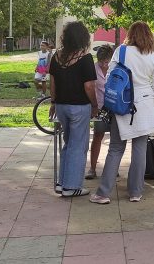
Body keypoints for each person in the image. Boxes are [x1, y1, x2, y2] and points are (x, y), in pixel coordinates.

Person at [90, 22, 154, 204]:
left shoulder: (121, 51)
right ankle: (135, 192)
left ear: (130, 34)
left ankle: (103, 193)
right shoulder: (153, 56)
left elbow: (109, 78)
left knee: (115, 148)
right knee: (140, 149)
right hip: (146, 105)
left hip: (123, 104)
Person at [49, 22, 97, 197]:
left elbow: (52, 82)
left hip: (61, 106)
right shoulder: (85, 58)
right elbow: (89, 86)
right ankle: (72, 186)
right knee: (78, 146)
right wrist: (95, 105)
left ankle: (62, 183)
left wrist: (53, 103)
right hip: (79, 107)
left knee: (68, 144)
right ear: (83, 37)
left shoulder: (56, 57)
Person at [86, 44, 114, 180]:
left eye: (106, 61)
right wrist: (93, 106)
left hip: (114, 108)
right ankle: (92, 168)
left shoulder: (115, 68)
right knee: (98, 135)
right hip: (99, 107)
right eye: (101, 61)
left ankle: (113, 167)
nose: (104, 64)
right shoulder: (93, 69)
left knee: (116, 139)